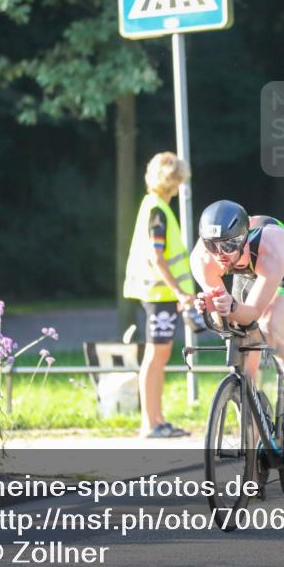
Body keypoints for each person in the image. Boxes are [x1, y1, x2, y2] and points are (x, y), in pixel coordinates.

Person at [190, 200, 284, 431]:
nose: (220, 255)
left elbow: (253, 314)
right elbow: (228, 324)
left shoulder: (269, 246)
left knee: (270, 322)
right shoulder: (202, 259)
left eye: (228, 246)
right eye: (212, 245)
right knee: (241, 352)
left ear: (244, 239)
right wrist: (214, 307)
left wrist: (232, 307)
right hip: (248, 275)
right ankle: (252, 430)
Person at [122, 152, 195, 438]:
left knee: (157, 356)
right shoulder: (158, 210)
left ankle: (156, 420)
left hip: (159, 293)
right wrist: (178, 290)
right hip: (160, 294)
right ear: (174, 181)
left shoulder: (153, 206)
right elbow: (157, 257)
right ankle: (151, 423)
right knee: (156, 356)